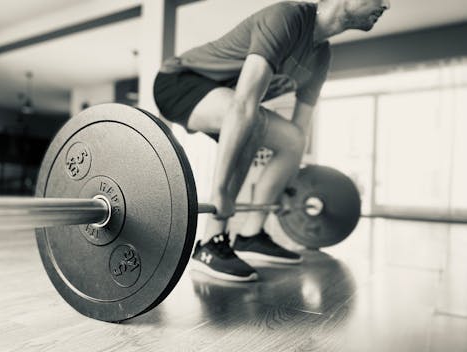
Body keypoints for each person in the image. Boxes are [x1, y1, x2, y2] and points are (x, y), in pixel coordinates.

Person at [154, 0, 390, 281]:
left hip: (232, 103)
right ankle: (210, 244)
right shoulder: (289, 17)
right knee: (251, 120)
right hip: (179, 82)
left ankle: (251, 235)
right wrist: (220, 192)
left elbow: (299, 130)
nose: (386, 6)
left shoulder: (322, 57)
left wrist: (288, 188)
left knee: (292, 139)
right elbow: (243, 104)